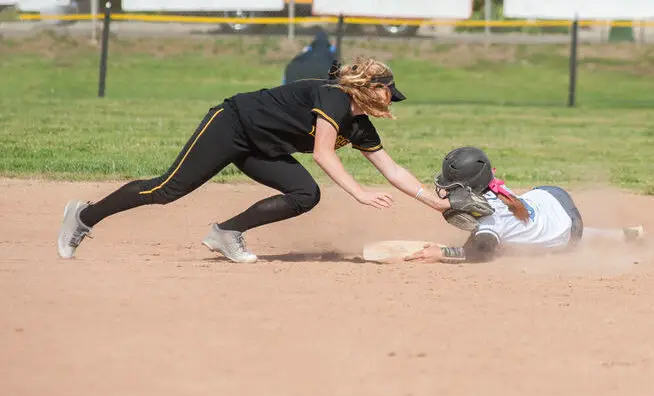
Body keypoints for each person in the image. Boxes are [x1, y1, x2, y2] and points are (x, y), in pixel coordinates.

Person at [58, 56, 450, 263]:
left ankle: (226, 232)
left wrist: (435, 203)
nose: (390, 101)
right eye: (388, 93)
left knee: (304, 194)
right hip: (233, 125)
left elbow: (392, 168)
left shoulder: (361, 125)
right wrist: (359, 193)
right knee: (166, 189)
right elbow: (322, 153)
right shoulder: (333, 96)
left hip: (265, 148)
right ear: (372, 88)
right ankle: (83, 217)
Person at [404, 146, 645, 264]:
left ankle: (616, 237)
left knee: (551, 240)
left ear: (470, 186)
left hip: (569, 228)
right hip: (551, 197)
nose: (448, 189)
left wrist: (443, 253)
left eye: (454, 185)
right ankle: (624, 236)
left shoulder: (490, 216)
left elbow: (481, 254)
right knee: (536, 228)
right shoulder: (494, 188)